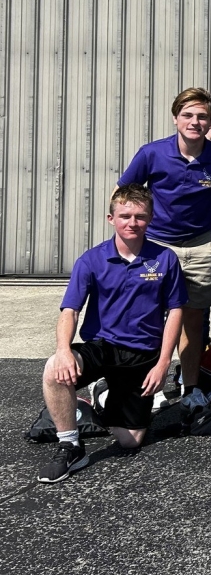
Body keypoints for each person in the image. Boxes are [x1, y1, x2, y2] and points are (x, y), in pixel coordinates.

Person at [36, 185, 186, 483]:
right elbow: (70, 311)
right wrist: (64, 350)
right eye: (125, 216)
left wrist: (164, 362)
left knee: (130, 441)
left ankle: (102, 395)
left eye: (140, 216)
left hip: (142, 355)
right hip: (101, 347)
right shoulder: (91, 260)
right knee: (54, 370)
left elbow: (176, 312)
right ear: (111, 218)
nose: (133, 222)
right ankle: (70, 445)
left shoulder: (165, 259)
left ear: (151, 219)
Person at [118, 87, 211, 415]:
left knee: (193, 319)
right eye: (188, 115)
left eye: (202, 116)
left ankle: (190, 386)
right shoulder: (151, 154)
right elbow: (123, 192)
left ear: (210, 121)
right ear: (175, 118)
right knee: (152, 318)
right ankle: (148, 383)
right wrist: (132, 236)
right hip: (158, 247)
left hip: (201, 246)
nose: (195, 122)